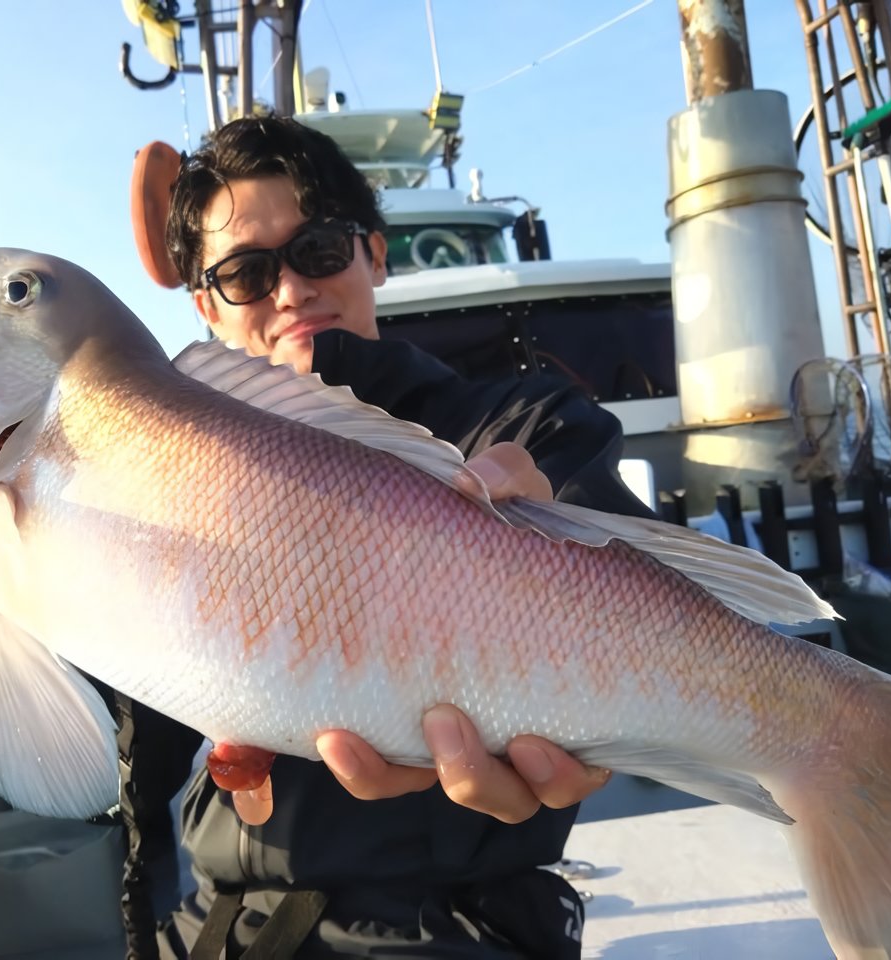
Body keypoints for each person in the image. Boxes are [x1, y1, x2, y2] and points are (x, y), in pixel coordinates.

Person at [115, 115, 656, 960]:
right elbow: (132, 745)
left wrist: (566, 526)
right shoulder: (171, 477)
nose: (289, 290)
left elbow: (620, 537)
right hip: (217, 928)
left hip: (455, 930)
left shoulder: (515, 419)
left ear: (373, 252)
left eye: (318, 251)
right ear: (205, 306)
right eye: (245, 273)